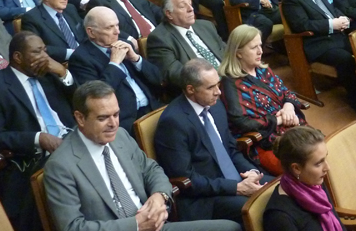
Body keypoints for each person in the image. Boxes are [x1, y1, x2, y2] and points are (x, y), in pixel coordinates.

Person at [46, 79, 241, 231]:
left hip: (156, 226)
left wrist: (159, 195)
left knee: (230, 228)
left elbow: (152, 170)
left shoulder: (121, 136)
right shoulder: (61, 165)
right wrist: (136, 225)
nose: (113, 124)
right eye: (103, 118)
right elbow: (73, 227)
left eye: (116, 114)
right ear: (80, 118)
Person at [0, 31, 75, 230]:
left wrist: (63, 73)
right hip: (35, 158)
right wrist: (38, 138)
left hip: (71, 140)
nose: (45, 57)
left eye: (45, 50)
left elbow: (80, 103)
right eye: (37, 52)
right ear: (18, 57)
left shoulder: (48, 73)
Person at [155, 58, 267, 224]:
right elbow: (186, 178)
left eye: (218, 84)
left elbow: (231, 148)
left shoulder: (215, 105)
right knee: (261, 208)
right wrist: (236, 188)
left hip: (236, 181)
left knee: (282, 189)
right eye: (210, 87)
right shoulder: (173, 123)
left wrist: (251, 172)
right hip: (206, 197)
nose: (218, 92)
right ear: (190, 89)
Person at [220, 25, 306, 176]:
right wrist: (279, 120)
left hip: (291, 126)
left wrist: (289, 107)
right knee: (306, 166)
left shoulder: (263, 69)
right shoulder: (230, 82)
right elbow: (242, 122)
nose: (260, 51)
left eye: (260, 45)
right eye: (254, 47)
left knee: (322, 151)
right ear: (238, 53)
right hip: (264, 141)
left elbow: (286, 92)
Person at [280, 0, 356, 112]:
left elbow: (332, 8)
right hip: (319, 43)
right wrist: (331, 24)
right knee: (346, 59)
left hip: (337, 35)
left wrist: (342, 18)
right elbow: (302, 25)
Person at [70, 6, 162, 132]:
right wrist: (114, 63)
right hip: (125, 121)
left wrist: (136, 59)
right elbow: (97, 97)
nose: (117, 31)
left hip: (154, 107)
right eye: (109, 27)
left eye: (117, 25)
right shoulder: (81, 59)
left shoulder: (124, 44)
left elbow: (158, 79)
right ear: (91, 32)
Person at [263, 126, 347, 231]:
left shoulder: (314, 183)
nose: (327, 167)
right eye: (318, 163)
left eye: (325, 158)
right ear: (296, 168)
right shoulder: (279, 218)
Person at [147, 0, 227, 94]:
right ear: (169, 14)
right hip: (203, 90)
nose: (191, 9)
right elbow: (175, 75)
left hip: (229, 80)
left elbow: (227, 52)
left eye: (190, 3)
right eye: (182, 6)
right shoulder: (159, 39)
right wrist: (213, 81)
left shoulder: (206, 26)